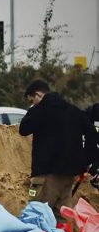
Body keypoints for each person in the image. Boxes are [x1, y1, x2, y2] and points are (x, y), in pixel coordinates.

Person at [18, 80, 98, 218]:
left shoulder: (41, 110)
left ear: (38, 94)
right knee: (63, 218)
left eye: (32, 100)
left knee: (37, 216)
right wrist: (88, 161)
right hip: (68, 177)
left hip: (45, 176)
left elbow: (23, 129)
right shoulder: (73, 110)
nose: (32, 104)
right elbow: (92, 133)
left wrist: (33, 108)